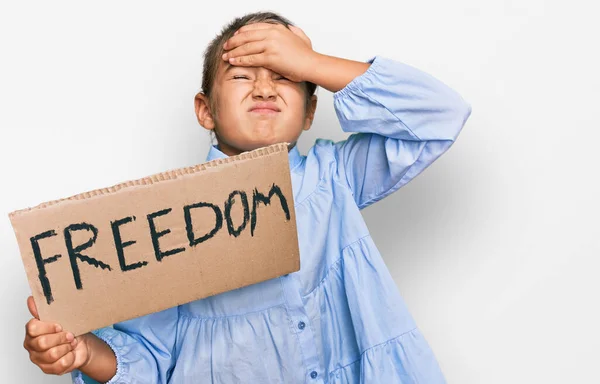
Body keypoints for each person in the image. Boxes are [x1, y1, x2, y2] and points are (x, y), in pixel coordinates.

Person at [22, 11, 471, 383]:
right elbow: (149, 360)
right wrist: (83, 351)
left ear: (311, 110)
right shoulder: (167, 223)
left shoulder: (336, 178)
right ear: (205, 111)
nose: (263, 88)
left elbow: (439, 117)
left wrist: (312, 61)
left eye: (285, 75)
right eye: (240, 75)